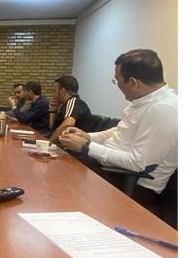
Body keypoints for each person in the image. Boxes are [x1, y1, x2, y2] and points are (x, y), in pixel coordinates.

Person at [59, 49, 177, 214]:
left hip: (131, 183)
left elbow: (138, 164)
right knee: (57, 162)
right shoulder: (143, 101)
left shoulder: (163, 109)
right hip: (111, 170)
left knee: (59, 179)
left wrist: (86, 146)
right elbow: (119, 131)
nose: (118, 85)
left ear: (133, 82)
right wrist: (88, 136)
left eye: (117, 80)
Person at [48, 75, 95, 143]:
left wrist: (49, 143)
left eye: (55, 91)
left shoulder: (73, 101)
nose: (54, 94)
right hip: (63, 144)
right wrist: (53, 111)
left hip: (73, 147)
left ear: (62, 91)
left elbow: (68, 124)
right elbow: (53, 129)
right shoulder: (65, 105)